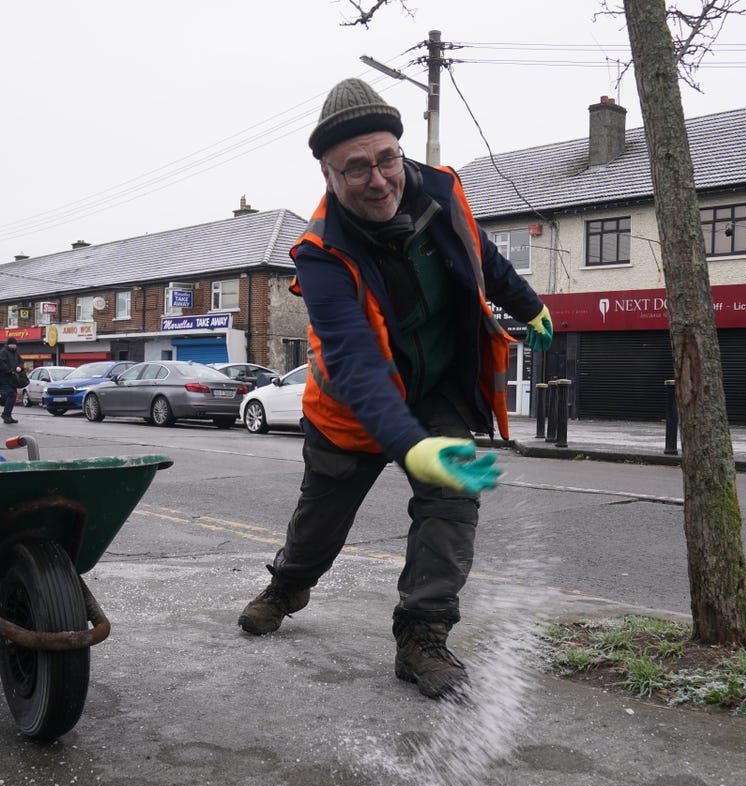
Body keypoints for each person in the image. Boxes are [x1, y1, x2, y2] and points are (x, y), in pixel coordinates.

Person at [237, 78, 554, 700]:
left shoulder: (440, 190)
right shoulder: (321, 254)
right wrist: (408, 445)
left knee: (451, 500)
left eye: (386, 159)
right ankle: (288, 586)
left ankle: (422, 635)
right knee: (320, 522)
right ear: (328, 175)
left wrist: (526, 301)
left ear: (400, 152)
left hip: (435, 385)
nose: (378, 179)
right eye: (356, 168)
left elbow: (480, 253)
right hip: (353, 408)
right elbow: (356, 363)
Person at [0, 338, 25, 424]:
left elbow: (21, 361)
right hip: (4, 378)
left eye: (15, 344)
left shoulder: (16, 352)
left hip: (13, 378)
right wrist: (9, 370)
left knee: (13, 396)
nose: (14, 346)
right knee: (11, 394)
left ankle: (8, 415)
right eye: (12, 344)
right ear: (9, 344)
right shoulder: (4, 352)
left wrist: (20, 367)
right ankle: (5, 415)